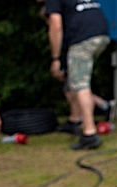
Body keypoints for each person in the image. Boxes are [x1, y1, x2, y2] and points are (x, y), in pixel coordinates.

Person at [45, 0, 109, 149]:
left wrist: (55, 58)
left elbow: (56, 25)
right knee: (73, 78)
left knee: (80, 84)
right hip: (101, 33)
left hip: (83, 39)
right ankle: (74, 120)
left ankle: (89, 133)